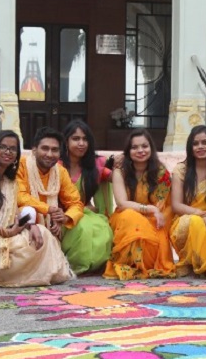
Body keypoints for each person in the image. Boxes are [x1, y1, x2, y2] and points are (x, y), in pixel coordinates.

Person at [0, 129, 72, 287]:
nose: (7, 152)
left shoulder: (9, 181)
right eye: (2, 147)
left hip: (2, 229)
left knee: (42, 234)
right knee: (21, 249)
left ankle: (18, 274)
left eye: (12, 149)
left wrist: (31, 226)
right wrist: (5, 232)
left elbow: (12, 210)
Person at [16, 126, 94, 273]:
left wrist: (65, 217)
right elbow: (20, 197)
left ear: (60, 153)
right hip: (22, 220)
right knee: (28, 211)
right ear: (34, 150)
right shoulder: (21, 166)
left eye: (54, 150)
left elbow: (76, 202)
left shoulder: (60, 172)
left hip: (52, 225)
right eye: (44, 148)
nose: (49, 154)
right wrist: (49, 210)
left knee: (86, 227)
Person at [106, 129, 175, 280]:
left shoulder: (161, 173)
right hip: (125, 219)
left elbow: (163, 207)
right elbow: (122, 203)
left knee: (156, 241)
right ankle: (131, 262)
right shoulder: (120, 171)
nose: (140, 151)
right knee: (130, 216)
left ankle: (143, 263)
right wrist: (148, 208)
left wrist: (154, 213)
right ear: (128, 151)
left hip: (153, 220)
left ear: (151, 148)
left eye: (144, 146)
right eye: (134, 147)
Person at [59, 120, 115, 275]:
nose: (81, 143)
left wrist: (126, 163)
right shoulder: (56, 165)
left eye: (85, 139)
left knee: (102, 227)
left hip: (87, 212)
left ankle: (94, 266)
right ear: (66, 141)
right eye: (76, 139)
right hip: (61, 215)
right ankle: (76, 265)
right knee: (83, 227)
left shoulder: (95, 166)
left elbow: (116, 178)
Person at [170, 125, 206, 277]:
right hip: (185, 221)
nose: (200, 147)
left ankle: (201, 263)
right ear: (190, 147)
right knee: (194, 223)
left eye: (205, 142)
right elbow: (176, 205)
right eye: (195, 143)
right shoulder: (181, 170)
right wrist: (201, 215)